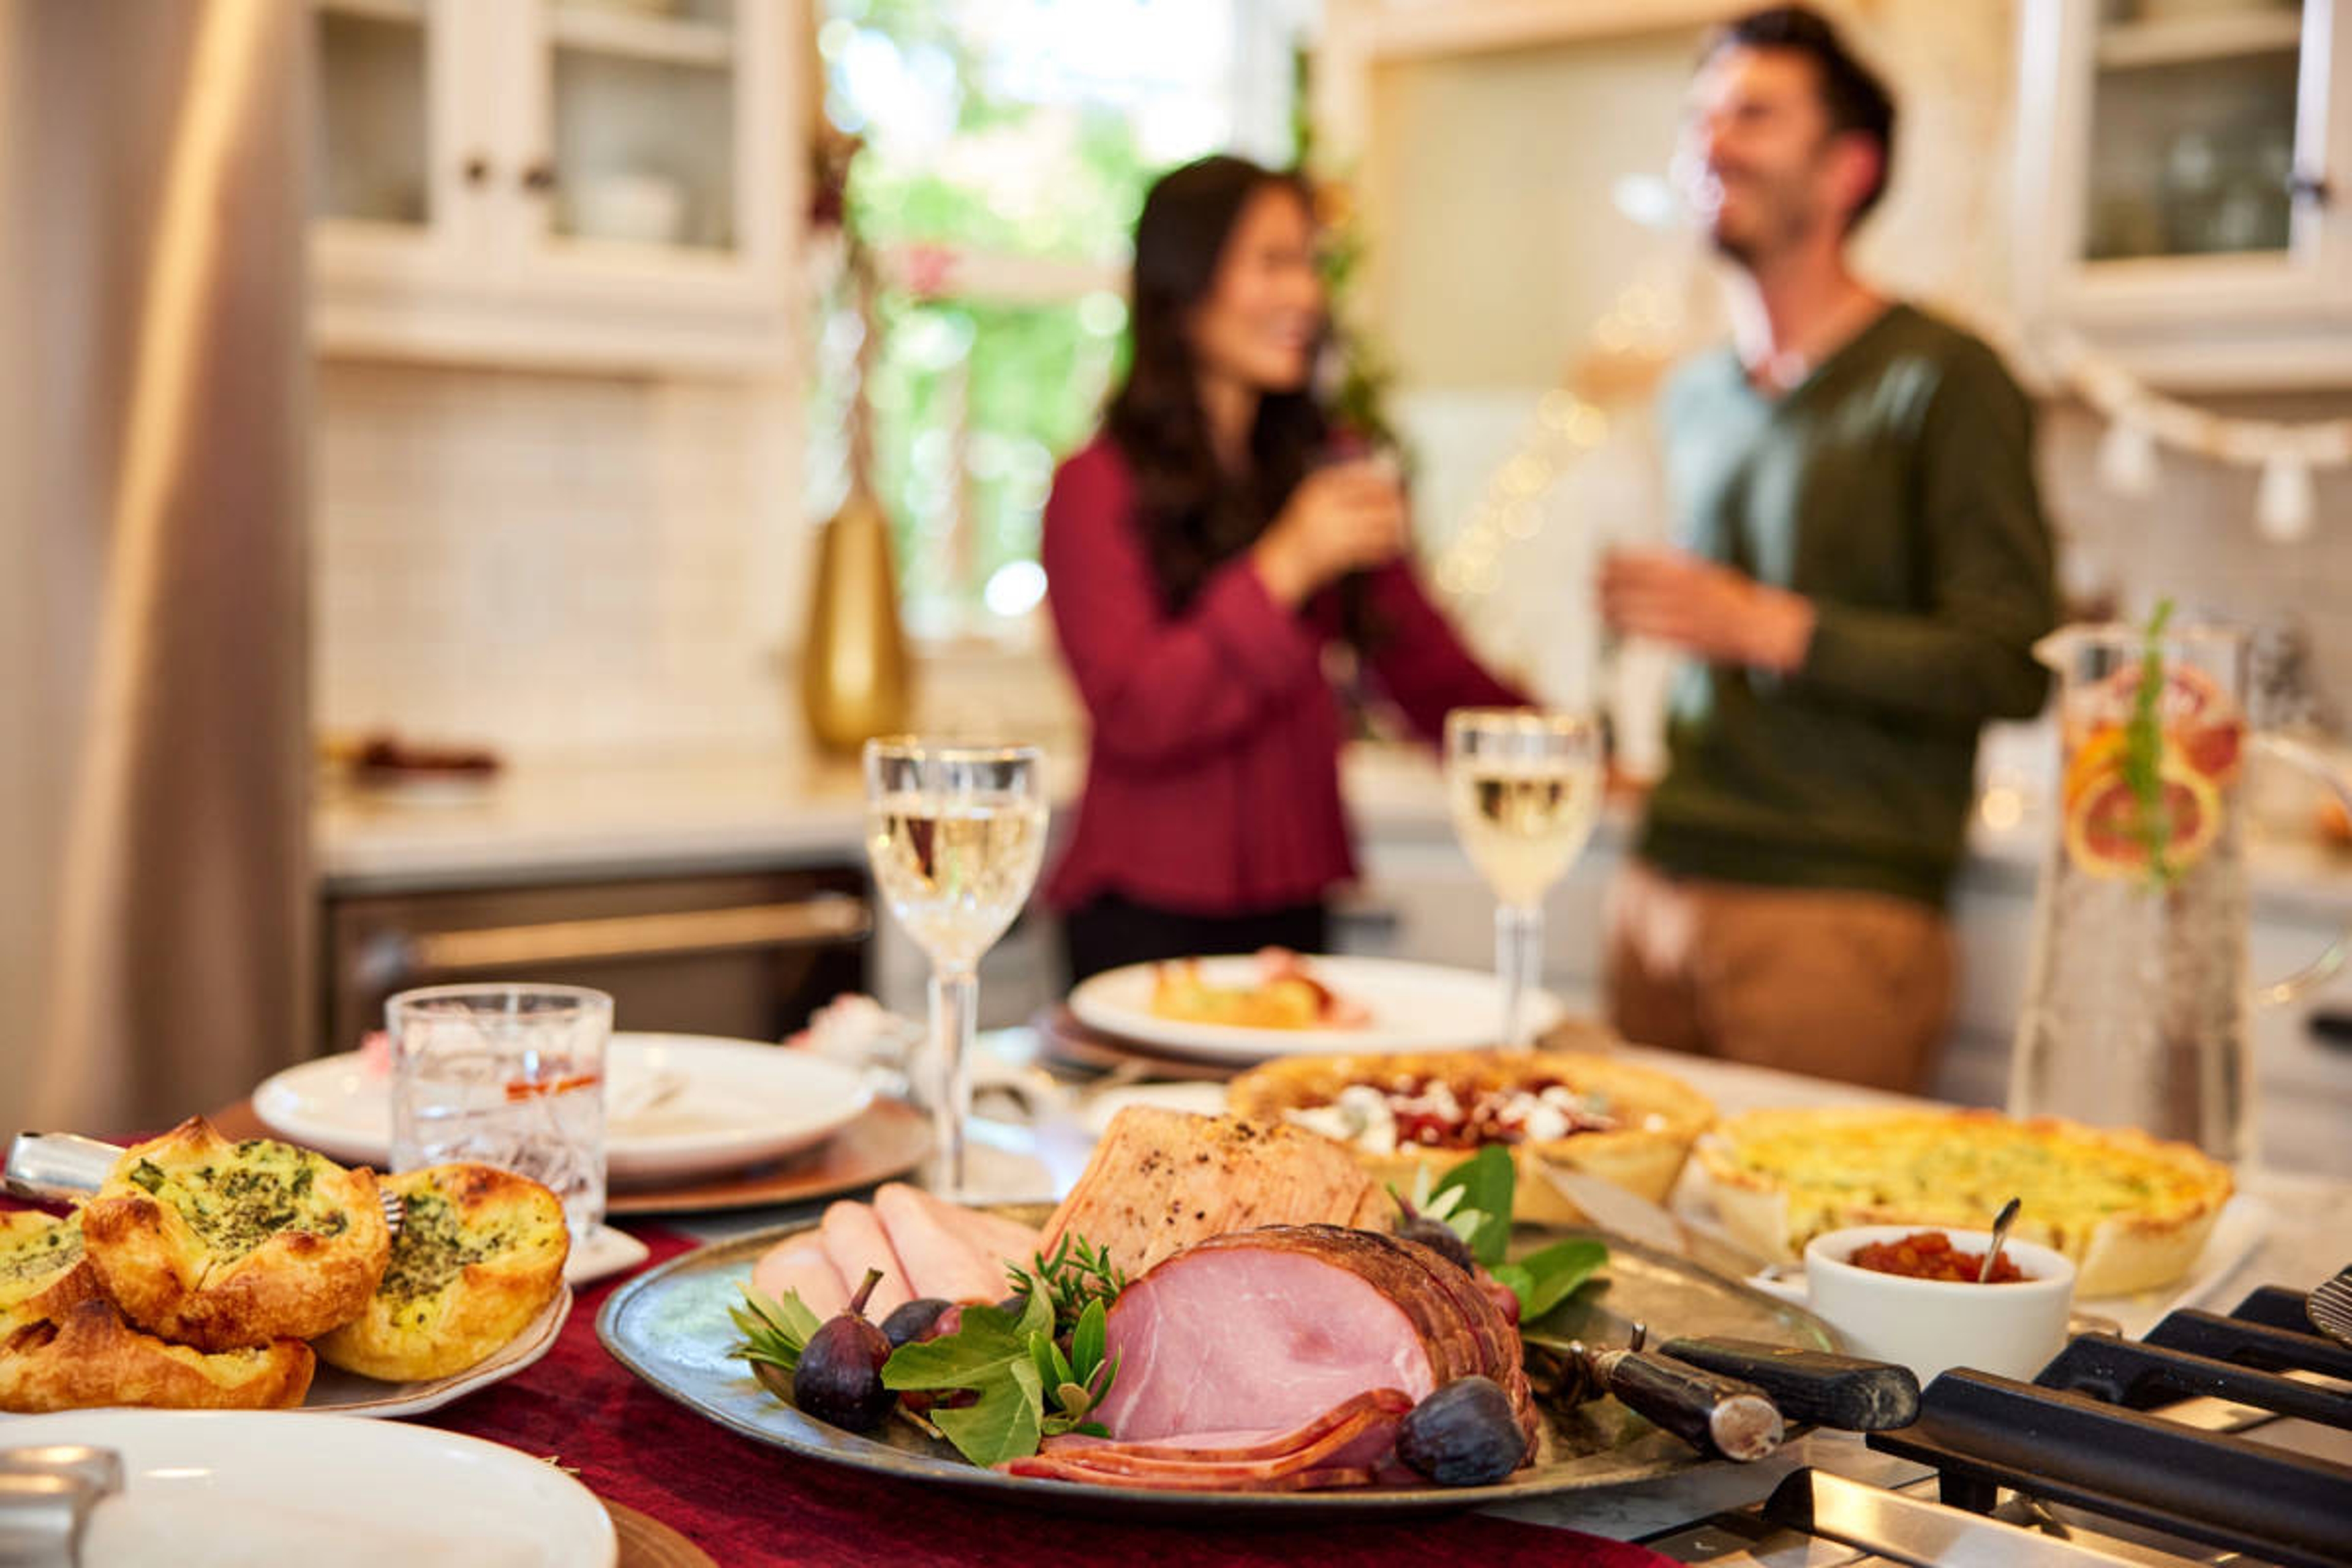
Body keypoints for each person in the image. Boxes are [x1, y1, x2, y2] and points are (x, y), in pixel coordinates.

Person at [1597, 6, 2058, 1092]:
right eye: (1700, 116)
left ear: (1850, 167)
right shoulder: (1695, 392)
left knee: (1808, 1259)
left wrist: (1768, 625)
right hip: (1658, 891)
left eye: (1753, 115)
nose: (1710, 142)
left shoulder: (1945, 379)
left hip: (1838, 915)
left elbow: (2010, 660)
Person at [1044, 154, 1523, 983]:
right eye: (1272, 262)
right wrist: (1285, 564)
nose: (1306, 294)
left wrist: (1551, 753)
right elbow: (1136, 711)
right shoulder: (1094, 486)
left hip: (1295, 900)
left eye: (1309, 263)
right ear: (1183, 284)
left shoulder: (1326, 469)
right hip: (1144, 910)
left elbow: (1425, 665)